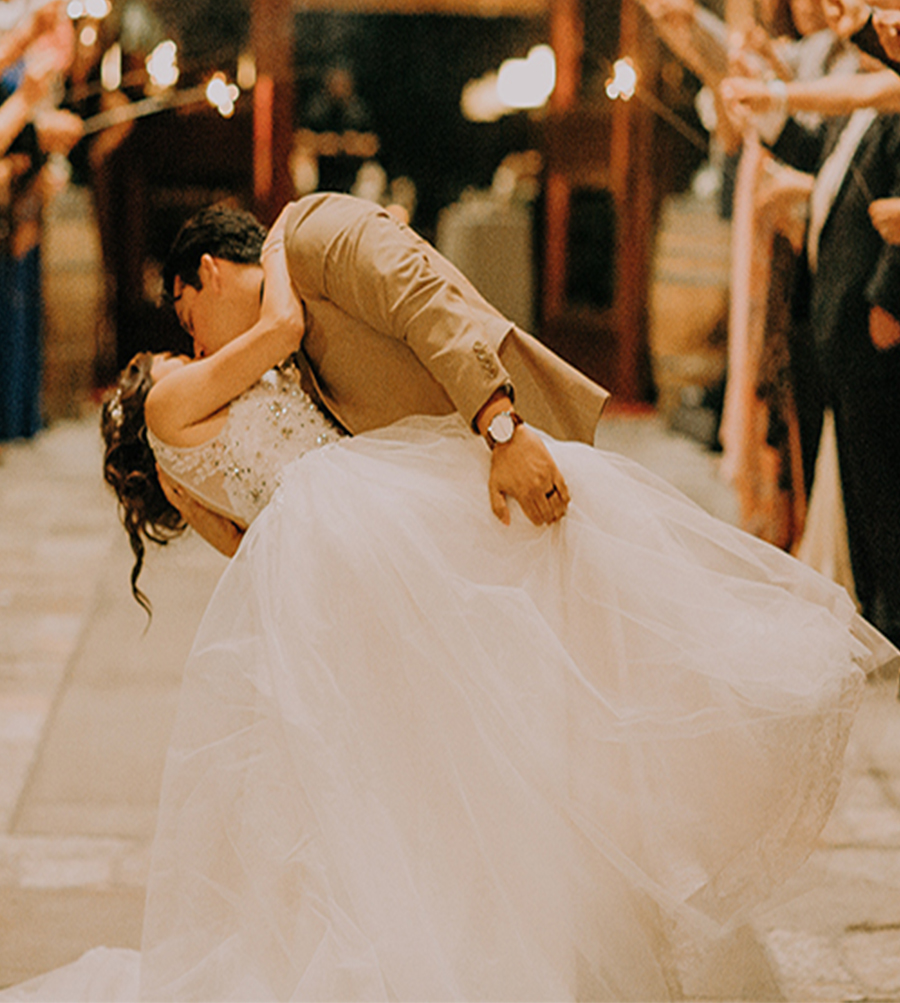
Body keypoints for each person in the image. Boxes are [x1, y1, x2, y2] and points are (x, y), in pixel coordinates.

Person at [2, 211, 897, 1002]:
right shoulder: (203, 373)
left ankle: (459, 913)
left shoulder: (280, 286)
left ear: (200, 272)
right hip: (357, 525)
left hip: (337, 542)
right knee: (459, 733)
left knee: (428, 747)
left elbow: (246, 536)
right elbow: (283, 333)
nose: (188, 341)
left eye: (184, 316)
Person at [161, 194, 609, 531]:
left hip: (518, 440)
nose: (199, 349)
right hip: (468, 496)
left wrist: (503, 431)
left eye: (189, 320)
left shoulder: (308, 234)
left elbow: (426, 302)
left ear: (210, 272)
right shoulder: (287, 350)